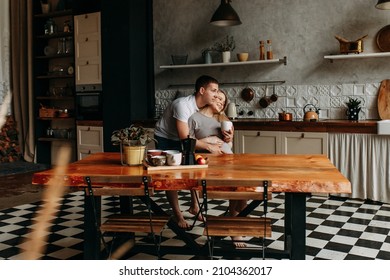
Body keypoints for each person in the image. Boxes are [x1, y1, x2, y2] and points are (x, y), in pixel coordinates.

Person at [154, 75, 224, 230]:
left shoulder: (201, 107)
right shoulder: (182, 105)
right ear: (202, 90)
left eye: (218, 91)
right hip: (165, 138)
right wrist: (208, 146)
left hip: (183, 138)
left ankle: (195, 207)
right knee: (171, 177)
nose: (217, 95)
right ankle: (178, 215)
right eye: (214, 91)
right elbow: (185, 138)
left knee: (193, 171)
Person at [188, 89, 248, 247]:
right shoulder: (194, 118)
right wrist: (209, 141)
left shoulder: (224, 119)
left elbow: (228, 146)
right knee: (238, 191)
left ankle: (234, 225)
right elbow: (188, 144)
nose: (221, 102)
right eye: (218, 98)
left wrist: (230, 139)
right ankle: (234, 229)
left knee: (244, 191)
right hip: (207, 166)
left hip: (228, 163)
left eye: (224, 101)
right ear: (210, 98)